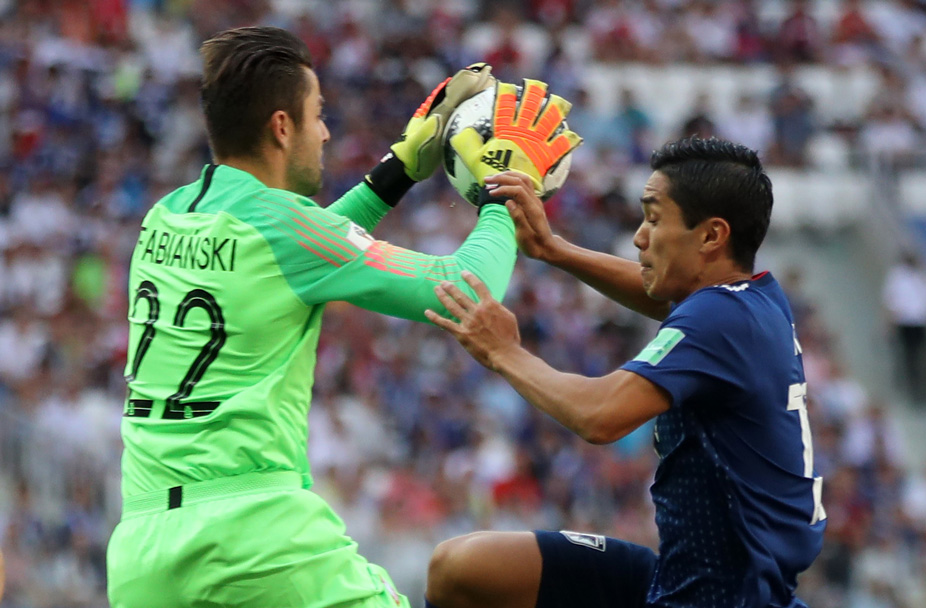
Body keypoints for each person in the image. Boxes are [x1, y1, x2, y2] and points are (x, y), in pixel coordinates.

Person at [105, 26, 577, 608]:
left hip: (143, 549)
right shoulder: (288, 230)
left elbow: (301, 249)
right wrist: (506, 189)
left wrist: (398, 170)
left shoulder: (167, 216)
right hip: (253, 541)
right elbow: (466, 288)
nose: (325, 131)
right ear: (282, 127)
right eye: (317, 115)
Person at [423, 137, 826, 608]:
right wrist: (553, 249)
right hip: (688, 578)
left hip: (723, 598)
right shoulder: (754, 302)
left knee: (464, 571)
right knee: (464, 568)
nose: (639, 236)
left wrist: (504, 352)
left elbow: (599, 415)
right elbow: (660, 294)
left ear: (712, 236)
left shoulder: (719, 319)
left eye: (654, 219)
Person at [882, 250, 926, 402]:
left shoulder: (923, 275)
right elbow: (891, 302)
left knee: (921, 357)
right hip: (907, 322)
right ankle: (914, 389)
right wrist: (890, 324)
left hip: (920, 322)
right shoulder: (899, 276)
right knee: (911, 357)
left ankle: (923, 389)